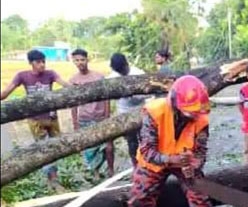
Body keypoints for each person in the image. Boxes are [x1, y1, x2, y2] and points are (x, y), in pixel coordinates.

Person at [126, 75, 214, 207]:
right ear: (175, 102)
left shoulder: (201, 118)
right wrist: (172, 160)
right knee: (140, 198)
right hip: (155, 161)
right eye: (189, 111)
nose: (192, 116)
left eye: (195, 112)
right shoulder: (154, 112)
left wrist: (194, 164)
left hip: (184, 159)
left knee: (200, 193)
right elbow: (147, 151)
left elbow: (201, 151)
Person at [0, 49, 71, 192]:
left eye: (43, 62)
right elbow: (6, 93)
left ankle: (53, 177)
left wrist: (77, 88)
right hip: (35, 119)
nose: (42, 65)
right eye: (38, 62)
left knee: (56, 147)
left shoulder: (50, 74)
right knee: (44, 148)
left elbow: (64, 83)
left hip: (52, 117)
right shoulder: (22, 76)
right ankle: (52, 180)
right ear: (31, 63)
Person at [69, 48, 114, 180]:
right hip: (84, 118)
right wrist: (75, 122)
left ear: (87, 60)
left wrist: (107, 114)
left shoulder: (98, 77)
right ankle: (95, 173)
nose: (80, 62)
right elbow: (73, 102)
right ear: (74, 62)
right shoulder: (73, 80)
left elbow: (107, 96)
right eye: (77, 60)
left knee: (108, 146)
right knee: (89, 148)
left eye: (82, 59)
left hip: (100, 116)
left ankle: (111, 170)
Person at [107, 53, 148, 167]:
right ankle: (136, 165)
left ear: (126, 64)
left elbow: (148, 93)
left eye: (123, 69)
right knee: (131, 141)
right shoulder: (112, 78)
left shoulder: (138, 73)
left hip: (141, 109)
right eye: (119, 71)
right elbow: (110, 96)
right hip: (124, 112)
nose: (121, 72)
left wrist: (134, 94)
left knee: (146, 138)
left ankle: (148, 162)